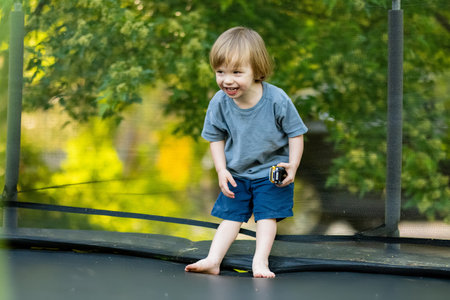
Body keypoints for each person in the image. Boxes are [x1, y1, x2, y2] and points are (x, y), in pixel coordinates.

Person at [185, 26, 308, 278]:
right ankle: (213, 259)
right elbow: (215, 137)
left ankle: (260, 262)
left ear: (257, 71)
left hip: (272, 171)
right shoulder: (219, 102)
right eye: (220, 72)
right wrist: (221, 170)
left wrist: (293, 165)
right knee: (231, 217)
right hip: (237, 172)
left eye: (236, 72)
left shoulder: (276, 99)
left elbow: (296, 133)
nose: (227, 80)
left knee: (266, 217)